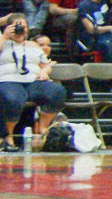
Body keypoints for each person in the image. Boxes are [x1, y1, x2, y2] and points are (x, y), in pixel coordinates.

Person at [0, 13, 66, 148]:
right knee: (12, 99)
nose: (20, 30)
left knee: (57, 91)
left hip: (33, 81)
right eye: (16, 26)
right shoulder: (3, 42)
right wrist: (5, 37)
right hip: (8, 81)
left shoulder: (33, 45)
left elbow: (46, 64)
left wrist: (44, 71)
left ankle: (43, 128)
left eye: (23, 27)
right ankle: (8, 136)